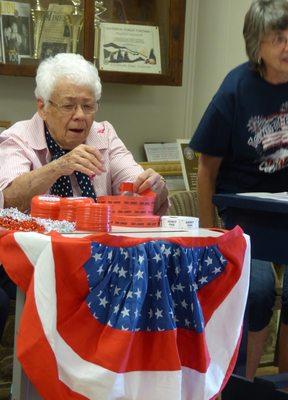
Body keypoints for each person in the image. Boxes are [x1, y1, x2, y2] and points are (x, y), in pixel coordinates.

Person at [0, 52, 169, 336]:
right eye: (69, 105)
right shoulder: (18, 138)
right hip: (31, 259)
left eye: (88, 106)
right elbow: (8, 197)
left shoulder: (104, 135)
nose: (80, 116)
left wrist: (151, 186)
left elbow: (134, 181)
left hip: (95, 258)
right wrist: (59, 167)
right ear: (42, 106)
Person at [189, 0, 288, 380]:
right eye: (279, 39)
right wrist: (209, 234)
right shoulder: (236, 89)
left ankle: (286, 383)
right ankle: (244, 385)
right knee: (259, 288)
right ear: (258, 48)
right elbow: (206, 169)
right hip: (246, 211)